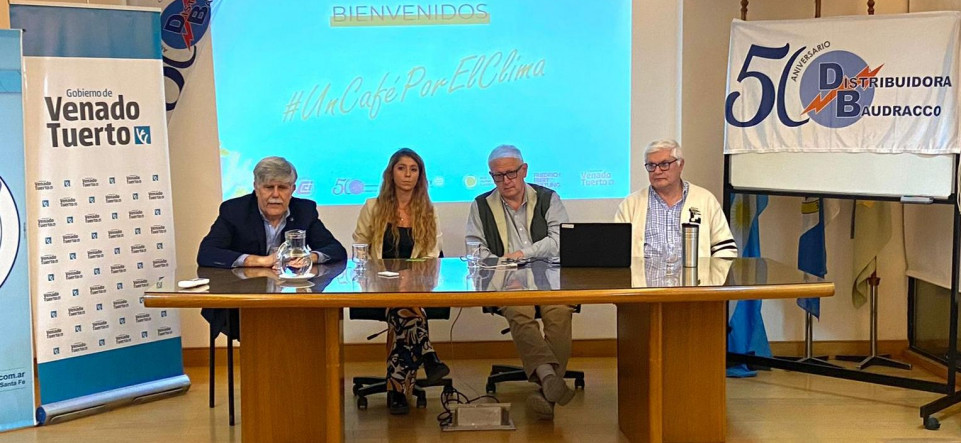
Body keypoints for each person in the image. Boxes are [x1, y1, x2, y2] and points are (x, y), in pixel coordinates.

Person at [465, 144, 574, 420]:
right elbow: (475, 248)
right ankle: (549, 378)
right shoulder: (481, 205)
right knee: (518, 310)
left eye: (511, 173)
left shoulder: (548, 198)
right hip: (507, 282)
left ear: (524, 170)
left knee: (560, 312)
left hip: (549, 279)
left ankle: (546, 391)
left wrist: (523, 254)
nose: (505, 181)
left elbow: (560, 240)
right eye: (498, 176)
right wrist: (504, 265)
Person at [197, 156, 347, 338]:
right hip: (244, 303)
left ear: (293, 189)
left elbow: (335, 250)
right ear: (256, 188)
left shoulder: (304, 210)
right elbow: (207, 253)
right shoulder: (234, 210)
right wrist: (260, 261)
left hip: (292, 300)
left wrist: (309, 257)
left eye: (282, 188)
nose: (275, 195)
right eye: (269, 187)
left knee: (311, 324)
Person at [352, 148, 449, 415]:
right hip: (378, 287)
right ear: (391, 173)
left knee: (408, 316)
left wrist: (412, 278)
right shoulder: (373, 206)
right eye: (402, 168)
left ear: (420, 176)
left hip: (416, 287)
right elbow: (360, 247)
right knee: (410, 315)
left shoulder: (428, 210)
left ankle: (397, 391)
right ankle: (427, 355)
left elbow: (432, 254)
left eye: (413, 169)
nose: (407, 174)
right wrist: (380, 277)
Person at [615, 139, 738, 261]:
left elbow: (725, 248)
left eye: (664, 164)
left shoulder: (705, 200)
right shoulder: (630, 205)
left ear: (681, 165)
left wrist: (714, 273)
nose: (657, 171)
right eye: (651, 165)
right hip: (643, 274)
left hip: (695, 274)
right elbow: (617, 250)